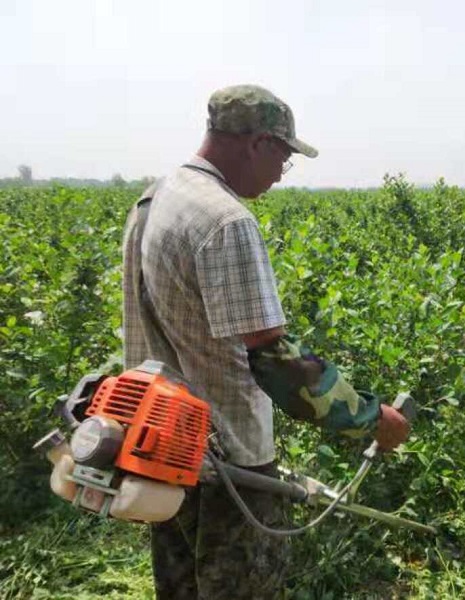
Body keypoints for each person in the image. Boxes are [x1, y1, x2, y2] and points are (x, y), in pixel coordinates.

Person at [121, 84, 409, 599]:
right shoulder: (226, 220)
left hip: (163, 444)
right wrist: (370, 417)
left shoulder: (154, 198)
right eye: (283, 156)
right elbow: (274, 360)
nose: (281, 172)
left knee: (181, 587)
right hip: (227, 459)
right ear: (257, 142)